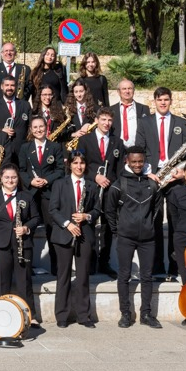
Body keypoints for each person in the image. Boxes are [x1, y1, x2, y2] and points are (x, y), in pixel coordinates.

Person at [136, 86, 186, 279]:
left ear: (171, 101)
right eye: (159, 99)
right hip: (154, 178)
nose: (163, 102)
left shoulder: (180, 123)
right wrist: (148, 173)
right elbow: (139, 150)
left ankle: (175, 268)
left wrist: (181, 172)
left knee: (176, 223)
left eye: (166, 99)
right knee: (155, 223)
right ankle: (157, 266)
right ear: (154, 101)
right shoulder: (144, 123)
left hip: (175, 179)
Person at [104, 147, 163, 329]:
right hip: (125, 237)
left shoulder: (152, 184)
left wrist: (149, 228)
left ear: (144, 161)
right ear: (127, 162)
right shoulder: (118, 184)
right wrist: (118, 231)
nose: (137, 165)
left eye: (140, 161)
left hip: (148, 238)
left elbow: (157, 211)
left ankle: (146, 314)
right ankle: (125, 314)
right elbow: (109, 211)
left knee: (147, 276)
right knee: (124, 275)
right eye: (134, 161)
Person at [0, 164, 40, 327]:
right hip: (1, 244)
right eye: (7, 177)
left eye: (13, 177)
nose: (10, 180)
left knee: (24, 281)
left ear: (18, 179)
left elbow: (36, 218)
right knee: (2, 281)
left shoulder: (26, 196)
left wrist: (26, 228)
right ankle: (0, 314)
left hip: (23, 244)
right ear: (1, 179)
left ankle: (30, 315)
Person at [49, 151, 99, 328]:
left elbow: (97, 211)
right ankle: (62, 315)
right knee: (63, 276)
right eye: (75, 163)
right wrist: (67, 224)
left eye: (82, 163)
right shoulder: (59, 184)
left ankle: (83, 315)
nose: (79, 166)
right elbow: (53, 209)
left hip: (84, 235)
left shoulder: (92, 186)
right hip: (64, 234)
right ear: (69, 164)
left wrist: (87, 216)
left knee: (83, 275)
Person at [75, 108, 125, 278]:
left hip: (109, 189)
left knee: (107, 226)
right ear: (96, 120)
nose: (106, 123)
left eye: (109, 120)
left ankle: (104, 262)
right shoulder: (84, 140)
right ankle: (89, 262)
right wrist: (95, 176)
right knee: (88, 224)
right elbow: (80, 164)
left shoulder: (117, 142)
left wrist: (114, 186)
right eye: (103, 119)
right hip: (89, 186)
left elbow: (119, 170)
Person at [18, 116, 65, 273]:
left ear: (47, 128)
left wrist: (46, 180)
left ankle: (55, 267)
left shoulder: (55, 147)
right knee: (27, 229)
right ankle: (27, 267)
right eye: (35, 127)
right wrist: (31, 181)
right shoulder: (25, 148)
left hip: (48, 193)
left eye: (41, 127)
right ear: (31, 130)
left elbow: (60, 170)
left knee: (51, 229)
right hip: (30, 193)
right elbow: (22, 170)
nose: (38, 130)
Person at [0, 76, 31, 160]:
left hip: (22, 150)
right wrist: (1, 131)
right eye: (7, 85)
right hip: (2, 150)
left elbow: (30, 127)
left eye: (12, 85)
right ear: (1, 86)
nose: (9, 88)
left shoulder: (25, 105)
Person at [111, 78, 150, 148]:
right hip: (117, 148)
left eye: (130, 88)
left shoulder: (144, 109)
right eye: (124, 89)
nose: (127, 91)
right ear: (118, 92)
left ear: (134, 90)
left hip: (137, 150)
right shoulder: (111, 110)